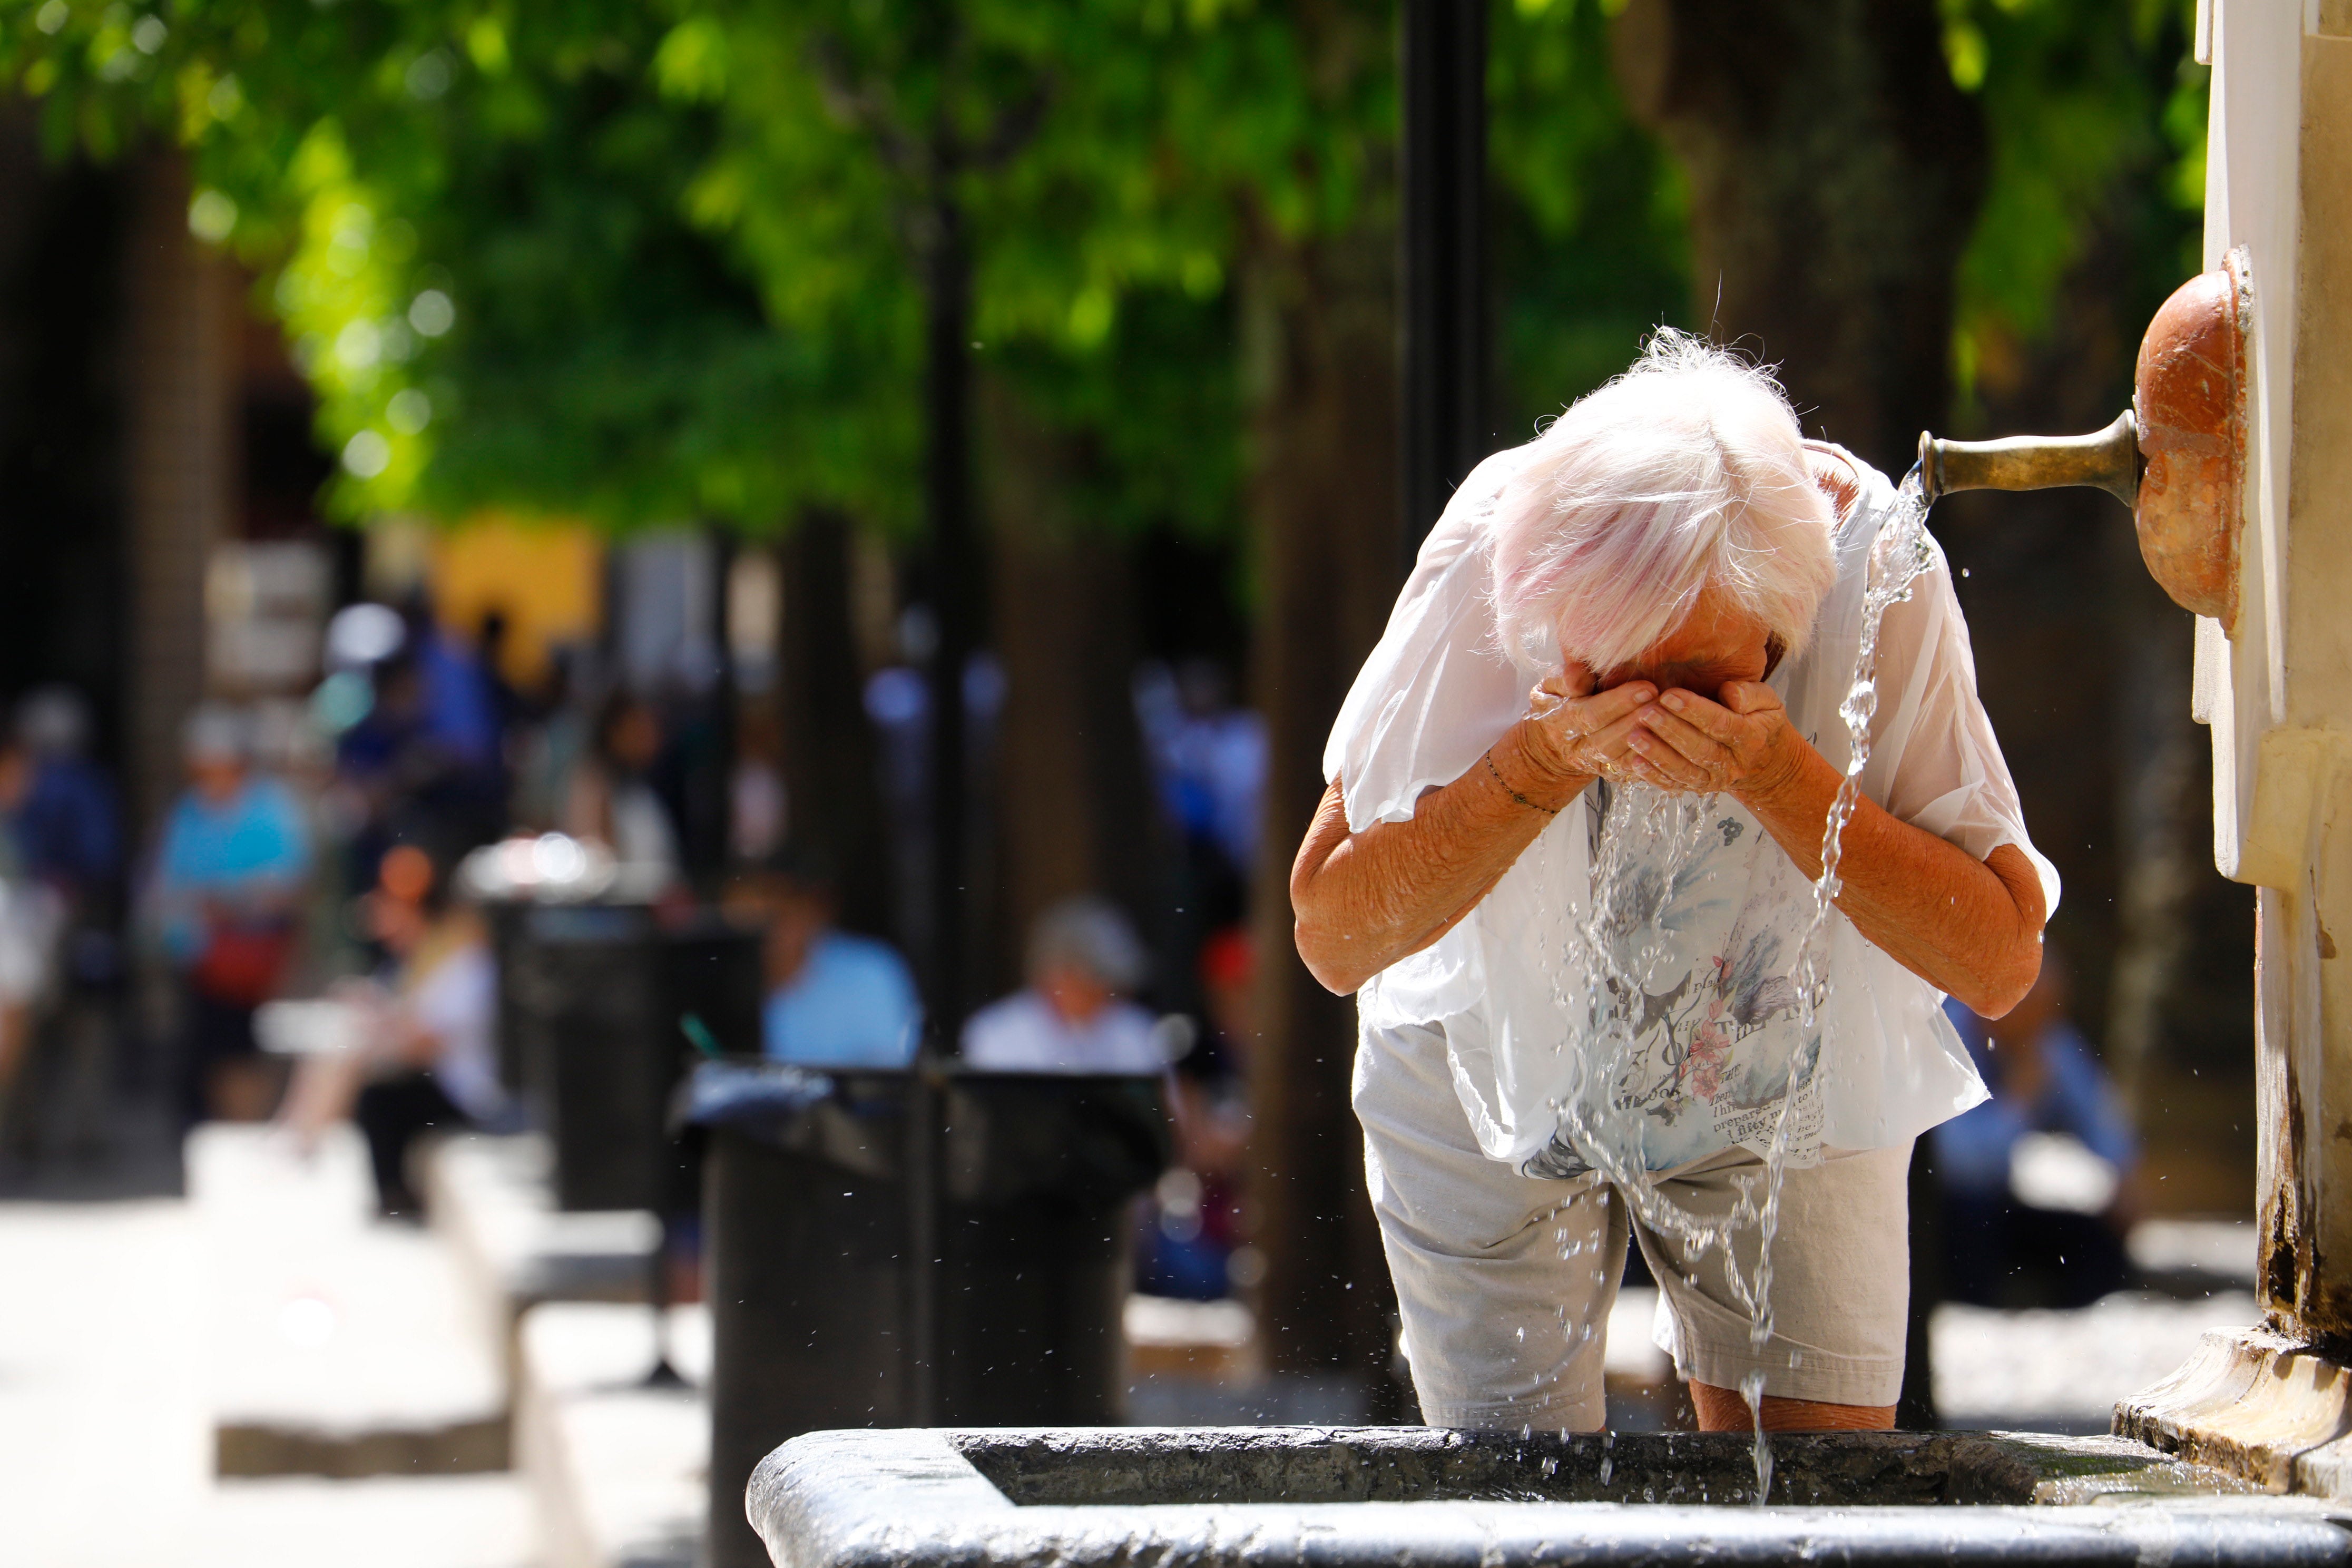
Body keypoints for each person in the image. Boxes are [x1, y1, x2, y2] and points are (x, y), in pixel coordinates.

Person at [1291, 332, 2055, 1435]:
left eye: (1695, 681)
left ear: (1788, 624)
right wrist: (1541, 760)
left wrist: (1782, 775)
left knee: (1815, 1512)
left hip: (1783, 1057)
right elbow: (1334, 932)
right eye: (1605, 675)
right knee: (1522, 1509)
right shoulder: (1497, 549)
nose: (1648, 717)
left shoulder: (1878, 575)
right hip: (1488, 1062)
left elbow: (1997, 961)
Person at [281, 843, 505, 1216]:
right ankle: (299, 1138)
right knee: (345, 1049)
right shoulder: (423, 954)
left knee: (375, 1090)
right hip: (440, 1076)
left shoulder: (461, 957)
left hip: (468, 1093)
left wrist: (371, 1038)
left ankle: (376, 1186)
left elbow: (425, 1043)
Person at [1934, 953, 2139, 1307]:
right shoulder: (1948, 1035)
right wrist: (2018, 1101)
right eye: (2035, 1011)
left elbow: (2099, 1116)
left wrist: (2125, 1177)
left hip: (2001, 1203)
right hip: (1946, 1208)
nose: (2044, 1024)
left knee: (2099, 1244)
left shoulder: (2045, 1039)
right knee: (1971, 1223)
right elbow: (1961, 1164)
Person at [148, 706, 312, 1123]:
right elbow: (168, 881)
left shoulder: (271, 808)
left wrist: (230, 901)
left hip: (254, 960)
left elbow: (289, 884)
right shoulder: (190, 810)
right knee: (206, 1053)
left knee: (244, 1055)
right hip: (199, 957)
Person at [725, 850, 921, 1069]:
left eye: (779, 911)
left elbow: (888, 1077)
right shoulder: (716, 980)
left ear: (813, 908)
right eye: (749, 914)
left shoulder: (870, 971)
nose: (764, 929)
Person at [962, 897, 1167, 1074]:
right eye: (1096, 981)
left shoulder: (1138, 1032)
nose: (1108, 993)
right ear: (1060, 974)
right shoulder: (998, 1033)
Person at [562, 692, 681, 882]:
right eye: (638, 730)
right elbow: (593, 856)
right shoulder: (593, 782)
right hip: (611, 904)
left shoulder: (643, 784)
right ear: (615, 731)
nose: (649, 738)